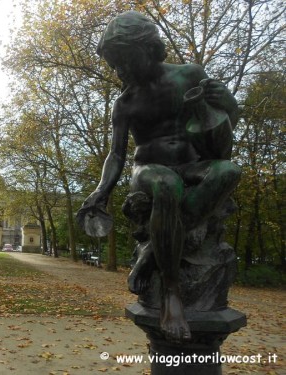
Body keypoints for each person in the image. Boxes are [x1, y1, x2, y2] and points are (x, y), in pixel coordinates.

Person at [77, 11, 240, 342]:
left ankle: (153, 252)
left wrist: (229, 103)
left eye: (123, 60)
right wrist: (101, 190)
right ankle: (171, 290)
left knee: (229, 171)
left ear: (148, 48)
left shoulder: (189, 75)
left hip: (193, 164)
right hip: (149, 169)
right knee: (167, 185)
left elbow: (221, 127)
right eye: (114, 64)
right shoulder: (125, 102)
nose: (119, 70)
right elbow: (117, 154)